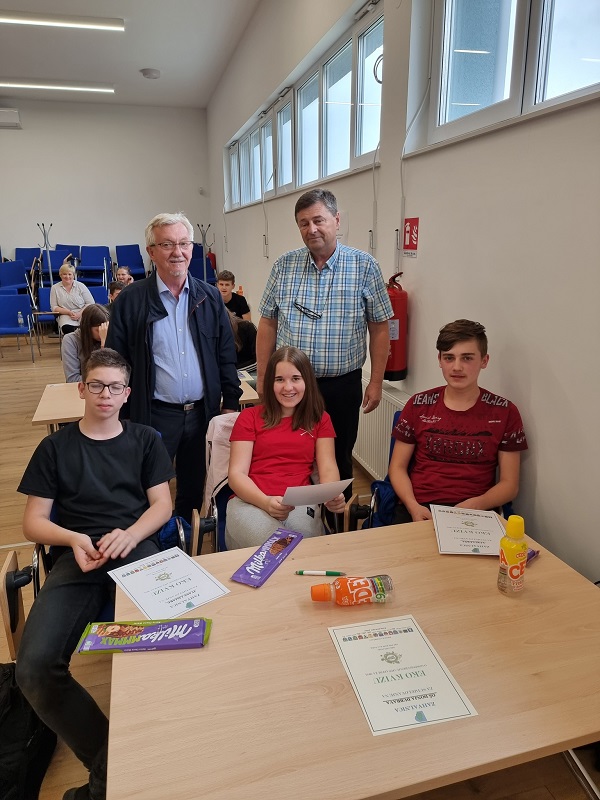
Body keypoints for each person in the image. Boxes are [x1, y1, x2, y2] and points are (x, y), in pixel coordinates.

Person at [15, 348, 174, 800]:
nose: (106, 394)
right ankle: (114, 765)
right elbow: (33, 522)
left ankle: (125, 770)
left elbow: (162, 505)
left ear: (127, 393)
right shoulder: (55, 447)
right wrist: (72, 538)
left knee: (175, 643)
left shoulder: (144, 440)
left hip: (135, 548)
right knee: (34, 668)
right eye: (97, 385)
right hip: (79, 555)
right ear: (82, 389)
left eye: (115, 387)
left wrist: (131, 533)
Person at [256, 188, 393, 497]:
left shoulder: (364, 267)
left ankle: (335, 520)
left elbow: (380, 328)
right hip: (290, 386)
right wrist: (264, 376)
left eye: (318, 220)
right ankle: (296, 518)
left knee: (339, 458)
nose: (312, 229)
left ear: (336, 220)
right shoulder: (284, 266)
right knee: (291, 456)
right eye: (304, 223)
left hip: (341, 386)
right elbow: (267, 323)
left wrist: (376, 382)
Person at [106, 212, 241, 523]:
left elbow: (225, 355)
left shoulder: (209, 297)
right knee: (146, 487)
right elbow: (115, 361)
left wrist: (231, 403)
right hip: (153, 413)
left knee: (193, 489)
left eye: (184, 243)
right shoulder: (131, 300)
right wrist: (120, 414)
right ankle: (152, 541)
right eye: (167, 244)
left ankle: (184, 541)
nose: (177, 252)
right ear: (151, 252)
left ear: (192, 248)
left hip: (203, 413)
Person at [388, 319, 528, 523]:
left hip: (476, 509)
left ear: (484, 361)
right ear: (439, 360)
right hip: (420, 508)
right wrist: (413, 506)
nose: (457, 367)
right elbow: (397, 467)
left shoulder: (505, 412)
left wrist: (475, 505)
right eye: (449, 358)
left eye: (467, 358)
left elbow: (509, 484)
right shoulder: (418, 405)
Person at [225, 346, 345, 549]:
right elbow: (237, 475)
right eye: (279, 379)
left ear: (307, 381)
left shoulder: (320, 419)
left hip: (299, 501)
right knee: (276, 546)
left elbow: (327, 467)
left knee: (302, 543)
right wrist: (265, 502)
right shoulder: (249, 417)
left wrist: (331, 495)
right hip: (250, 500)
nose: (288, 387)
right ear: (270, 383)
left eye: (295, 378)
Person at [61, 304, 110, 382]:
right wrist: (103, 347)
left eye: (106, 329)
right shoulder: (70, 340)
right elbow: (72, 379)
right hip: (81, 387)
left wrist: (104, 343)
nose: (103, 334)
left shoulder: (109, 337)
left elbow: (114, 373)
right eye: (98, 330)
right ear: (87, 327)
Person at [50, 263, 95, 334]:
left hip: (82, 313)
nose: (67, 276)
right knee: (67, 329)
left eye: (69, 274)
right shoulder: (54, 288)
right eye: (64, 274)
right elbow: (54, 307)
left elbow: (91, 303)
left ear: (73, 275)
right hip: (65, 315)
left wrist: (79, 314)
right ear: (60, 275)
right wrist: (68, 312)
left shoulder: (81, 286)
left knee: (90, 327)